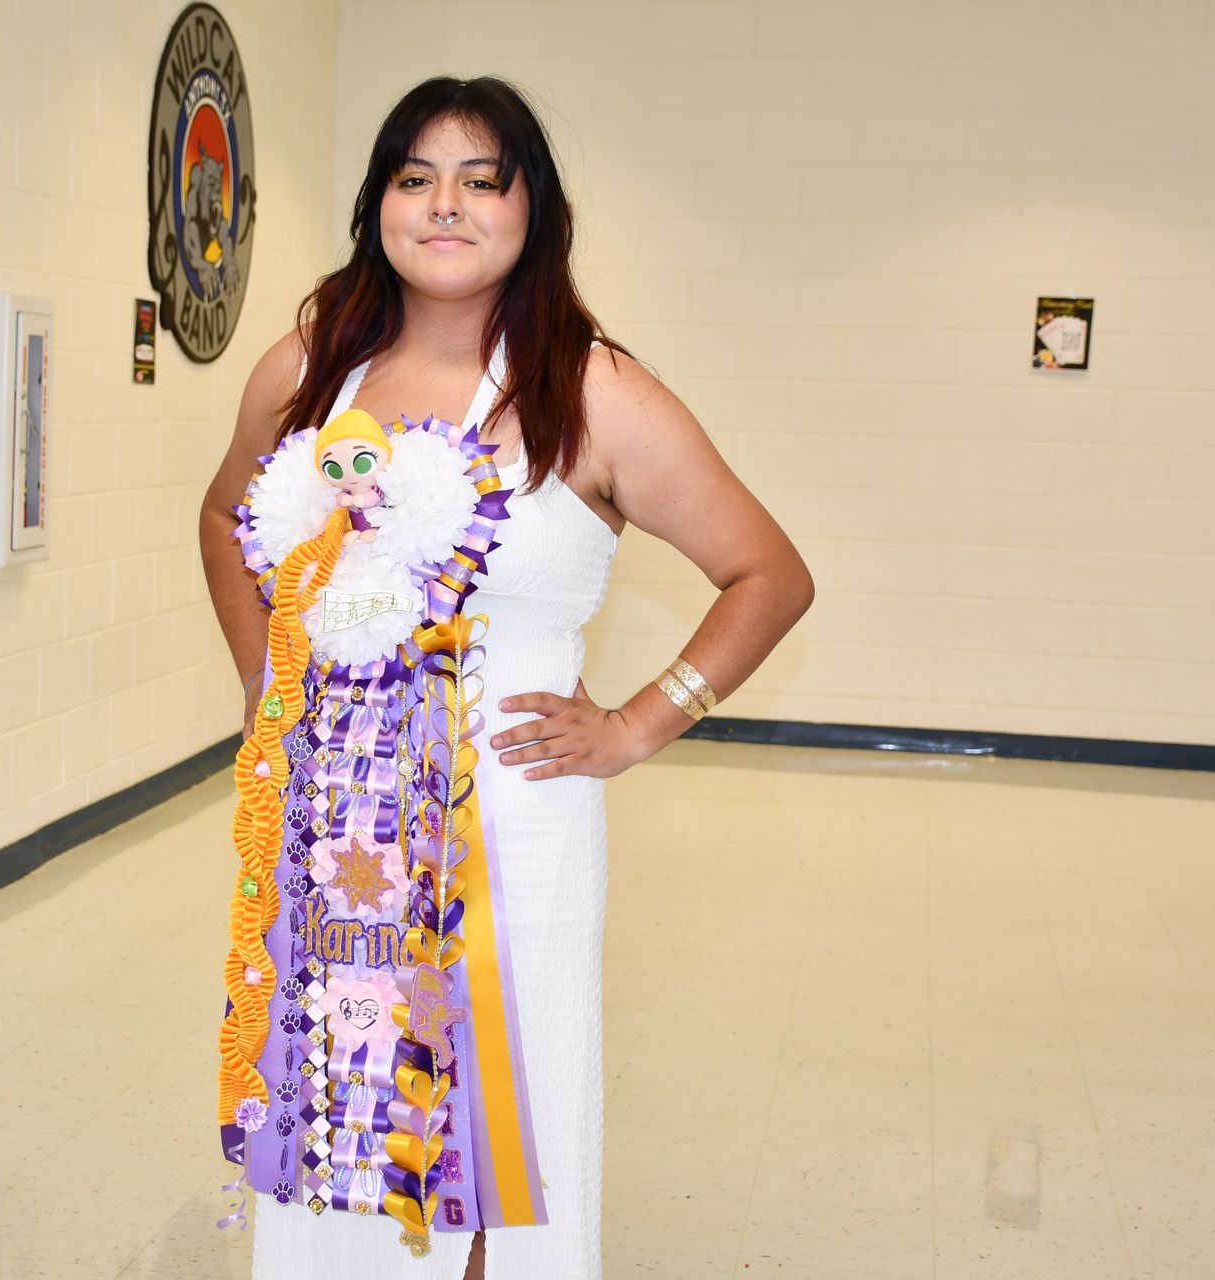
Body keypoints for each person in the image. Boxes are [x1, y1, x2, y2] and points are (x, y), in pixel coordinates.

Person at [197, 75, 814, 1280]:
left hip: (514, 820)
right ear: (378, 201)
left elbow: (768, 574)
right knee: (345, 1110)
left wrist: (639, 722)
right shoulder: (307, 366)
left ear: (536, 209)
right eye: (414, 176)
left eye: (485, 179)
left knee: (488, 1138)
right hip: (336, 826)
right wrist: (268, 691)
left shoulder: (594, 390)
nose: (446, 205)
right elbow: (227, 518)